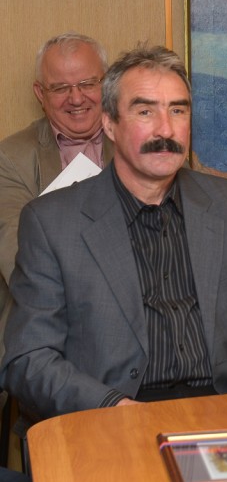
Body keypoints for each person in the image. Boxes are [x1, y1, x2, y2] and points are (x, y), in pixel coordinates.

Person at [0, 45, 227, 420]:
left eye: (178, 110)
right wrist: (116, 409)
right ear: (109, 124)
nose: (165, 129)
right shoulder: (51, 222)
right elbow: (30, 357)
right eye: (145, 111)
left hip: (223, 410)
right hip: (111, 414)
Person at [0, 33, 113, 356]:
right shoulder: (10, 158)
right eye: (60, 88)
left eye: (87, 84)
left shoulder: (138, 144)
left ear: (107, 84)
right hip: (48, 333)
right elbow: (20, 261)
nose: (76, 98)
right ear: (41, 93)